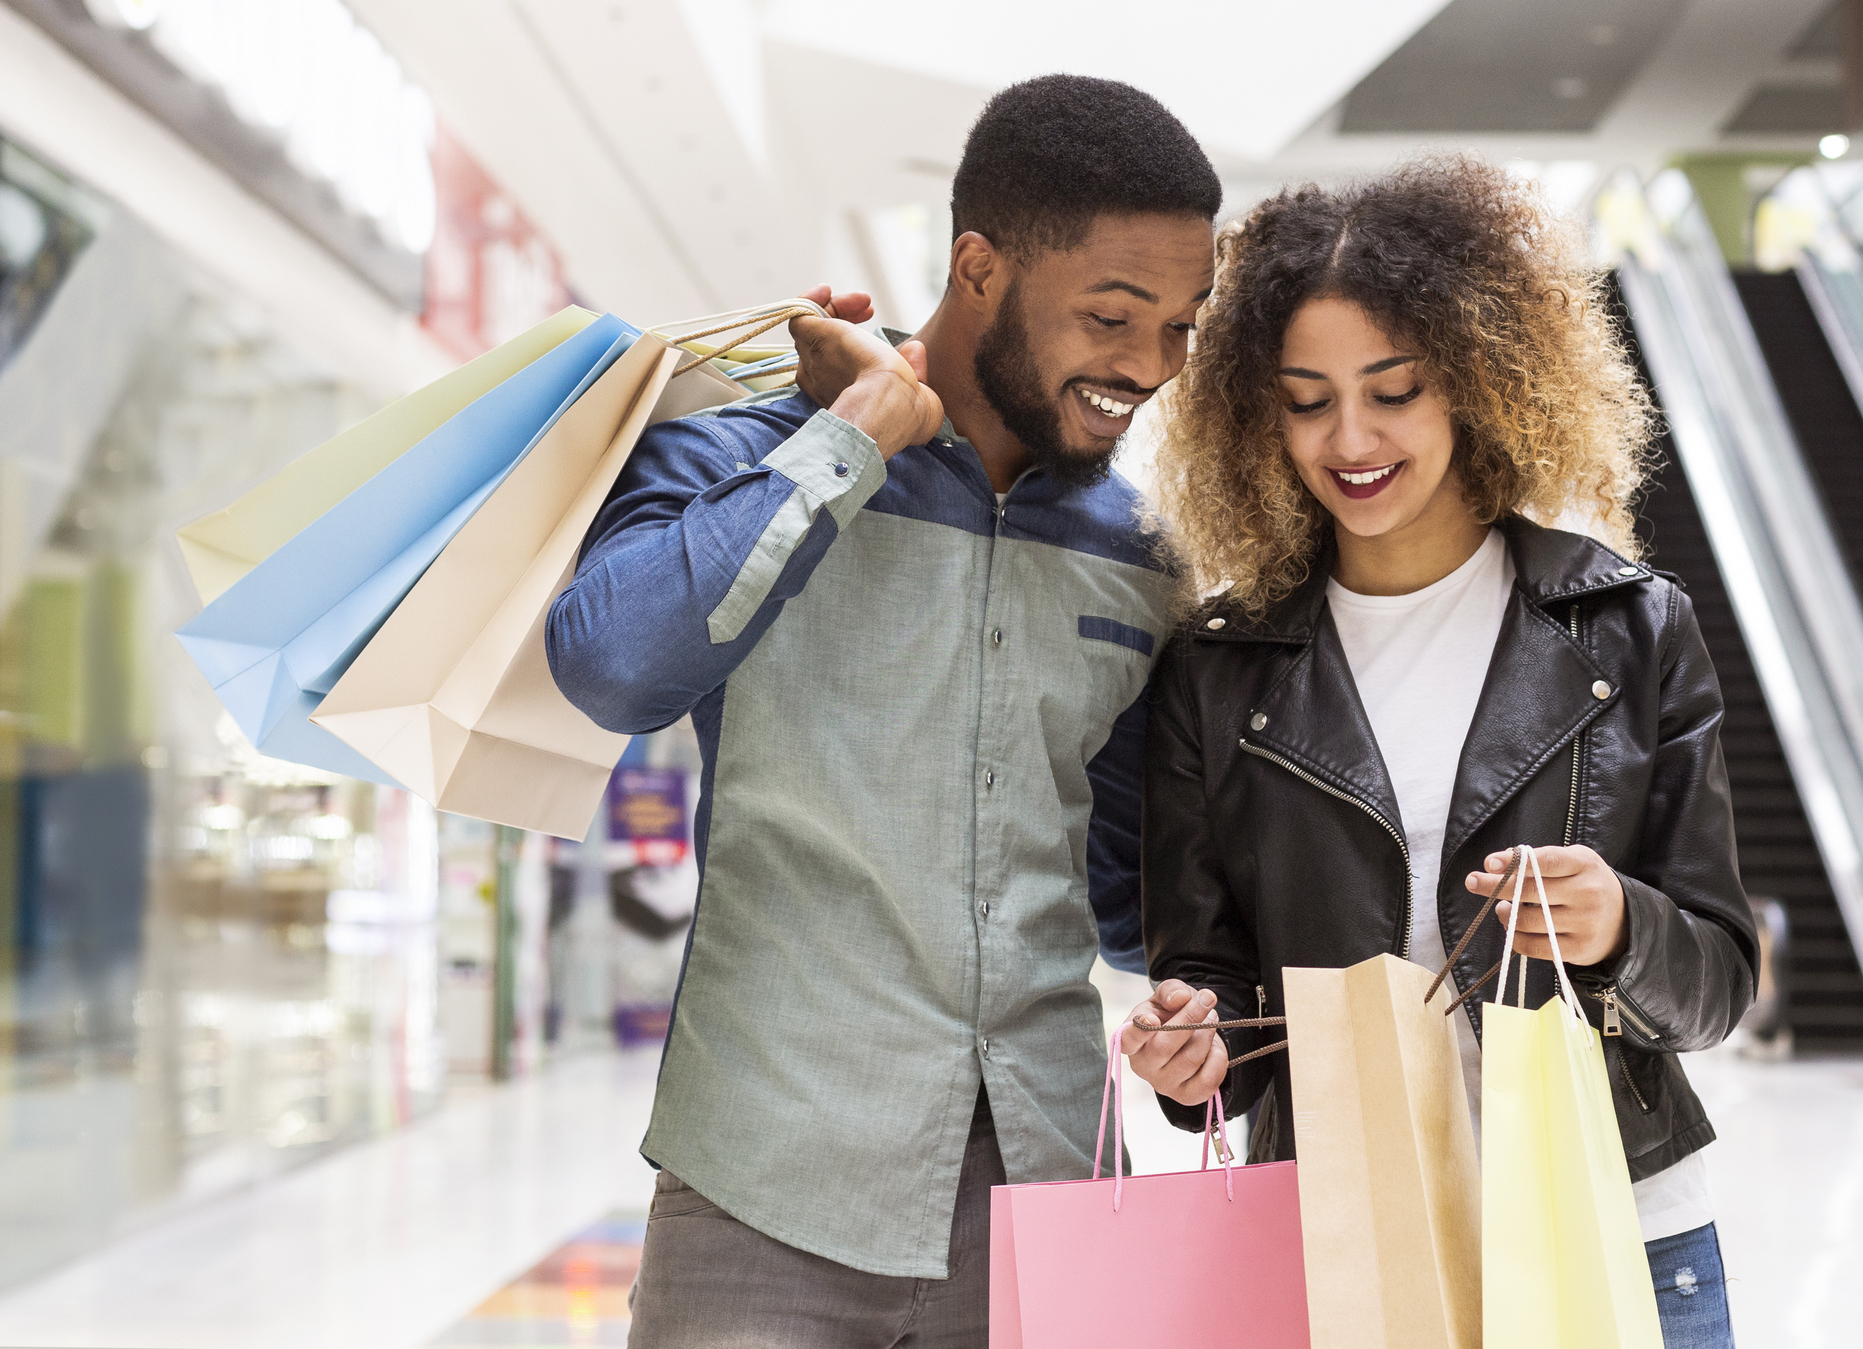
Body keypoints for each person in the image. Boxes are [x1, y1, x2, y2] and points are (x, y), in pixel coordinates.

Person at [546, 75, 1219, 1347]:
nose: (1151, 366)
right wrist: (851, 437)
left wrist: (1206, 986)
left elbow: (1126, 891)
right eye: (1113, 315)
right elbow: (611, 667)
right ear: (979, 266)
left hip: (1049, 1196)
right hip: (763, 1194)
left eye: (1183, 323)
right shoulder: (741, 456)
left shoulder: (1147, 555)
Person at [1121, 158, 1755, 1347]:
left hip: (1612, 1221)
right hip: (1344, 1234)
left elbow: (1717, 977)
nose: (1349, 438)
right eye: (1307, 399)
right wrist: (1188, 1049)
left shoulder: (1630, 627)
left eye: (1394, 389)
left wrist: (1618, 922)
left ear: (1477, 380)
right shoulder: (1220, 668)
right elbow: (1213, 977)